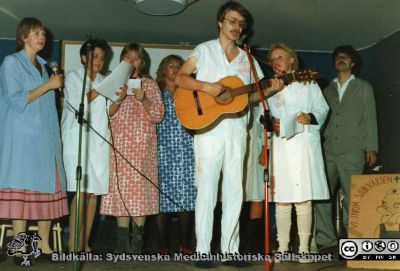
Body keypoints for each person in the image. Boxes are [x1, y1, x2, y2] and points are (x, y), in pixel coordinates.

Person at [175, 1, 283, 268]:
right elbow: (180, 77)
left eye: (241, 23)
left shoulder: (248, 58)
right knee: (207, 191)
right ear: (220, 23)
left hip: (237, 130)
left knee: (235, 191)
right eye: (232, 21)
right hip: (208, 129)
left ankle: (230, 251)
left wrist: (272, 89)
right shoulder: (204, 50)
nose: (237, 27)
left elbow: (254, 94)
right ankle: (202, 252)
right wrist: (206, 86)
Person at [0, 17, 68, 260]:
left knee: (47, 190)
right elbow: (16, 99)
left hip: (47, 140)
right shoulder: (11, 63)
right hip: (22, 139)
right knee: (23, 191)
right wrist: (49, 85)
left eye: (43, 33)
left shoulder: (46, 66)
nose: (42, 37)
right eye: (36, 33)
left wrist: (51, 83)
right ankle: (19, 247)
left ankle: (45, 246)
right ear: (24, 37)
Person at [61, 39, 127, 252]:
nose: (99, 61)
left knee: (93, 195)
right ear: (83, 58)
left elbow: (109, 112)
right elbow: (77, 102)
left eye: (101, 57)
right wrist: (103, 88)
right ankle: (73, 244)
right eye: (94, 56)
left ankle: (85, 243)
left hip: (99, 141)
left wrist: (119, 99)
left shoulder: (103, 79)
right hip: (78, 139)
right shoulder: (73, 77)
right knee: (81, 192)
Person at [266, 43, 329, 261]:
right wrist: (269, 123)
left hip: (303, 145)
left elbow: (323, 108)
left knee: (303, 199)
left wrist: (309, 117)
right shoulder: (270, 87)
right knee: (281, 198)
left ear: (292, 60)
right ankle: (282, 248)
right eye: (272, 59)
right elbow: (262, 115)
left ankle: (304, 248)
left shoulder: (308, 83)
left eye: (280, 57)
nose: (275, 62)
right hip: (281, 146)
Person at [100, 43, 164, 253]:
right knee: (121, 193)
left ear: (142, 62)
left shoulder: (150, 85)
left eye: (136, 58)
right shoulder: (113, 83)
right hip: (119, 147)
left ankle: (137, 242)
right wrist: (119, 98)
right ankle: (121, 243)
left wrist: (144, 98)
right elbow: (106, 115)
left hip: (143, 149)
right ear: (121, 61)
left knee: (140, 194)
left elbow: (158, 116)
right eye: (127, 58)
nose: (132, 62)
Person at [314, 45, 378, 251]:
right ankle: (326, 240)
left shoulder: (364, 88)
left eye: (346, 57)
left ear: (352, 63)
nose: (341, 59)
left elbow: (370, 119)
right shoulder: (326, 90)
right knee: (322, 196)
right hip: (327, 150)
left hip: (353, 150)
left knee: (354, 198)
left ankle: (354, 244)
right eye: (338, 57)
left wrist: (371, 148)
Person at [155, 55, 196, 255]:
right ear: (163, 70)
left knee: (187, 198)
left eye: (179, 66)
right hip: (163, 151)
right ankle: (163, 244)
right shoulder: (156, 93)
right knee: (161, 201)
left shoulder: (190, 92)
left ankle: (184, 243)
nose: (175, 68)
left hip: (187, 151)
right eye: (171, 65)